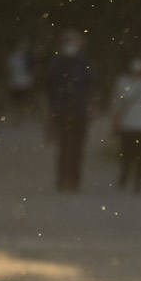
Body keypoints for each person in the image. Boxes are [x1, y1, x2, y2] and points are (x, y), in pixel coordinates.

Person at [45, 28, 95, 192]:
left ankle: (75, 180)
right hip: (61, 111)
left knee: (78, 147)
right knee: (64, 146)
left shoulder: (85, 62)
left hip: (80, 111)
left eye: (74, 41)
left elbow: (92, 87)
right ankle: (61, 180)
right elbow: (50, 88)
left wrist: (91, 107)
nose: (71, 45)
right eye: (68, 41)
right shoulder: (56, 63)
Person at [111, 56, 141, 191]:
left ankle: (138, 181)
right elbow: (117, 103)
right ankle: (124, 176)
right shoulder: (122, 81)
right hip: (127, 123)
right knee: (126, 152)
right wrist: (115, 122)